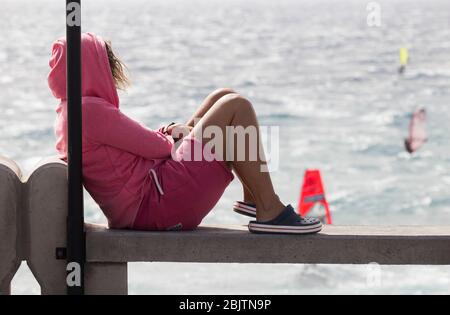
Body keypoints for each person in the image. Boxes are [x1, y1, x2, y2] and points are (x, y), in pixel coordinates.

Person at [48, 33, 322, 234]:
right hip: (156, 204)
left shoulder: (71, 111)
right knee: (236, 107)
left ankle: (254, 198)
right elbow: (156, 148)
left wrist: (171, 132)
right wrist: (174, 138)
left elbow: (136, 145)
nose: (111, 70)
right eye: (104, 62)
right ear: (92, 67)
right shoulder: (89, 111)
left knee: (222, 96)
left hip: (150, 198)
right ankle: (269, 209)